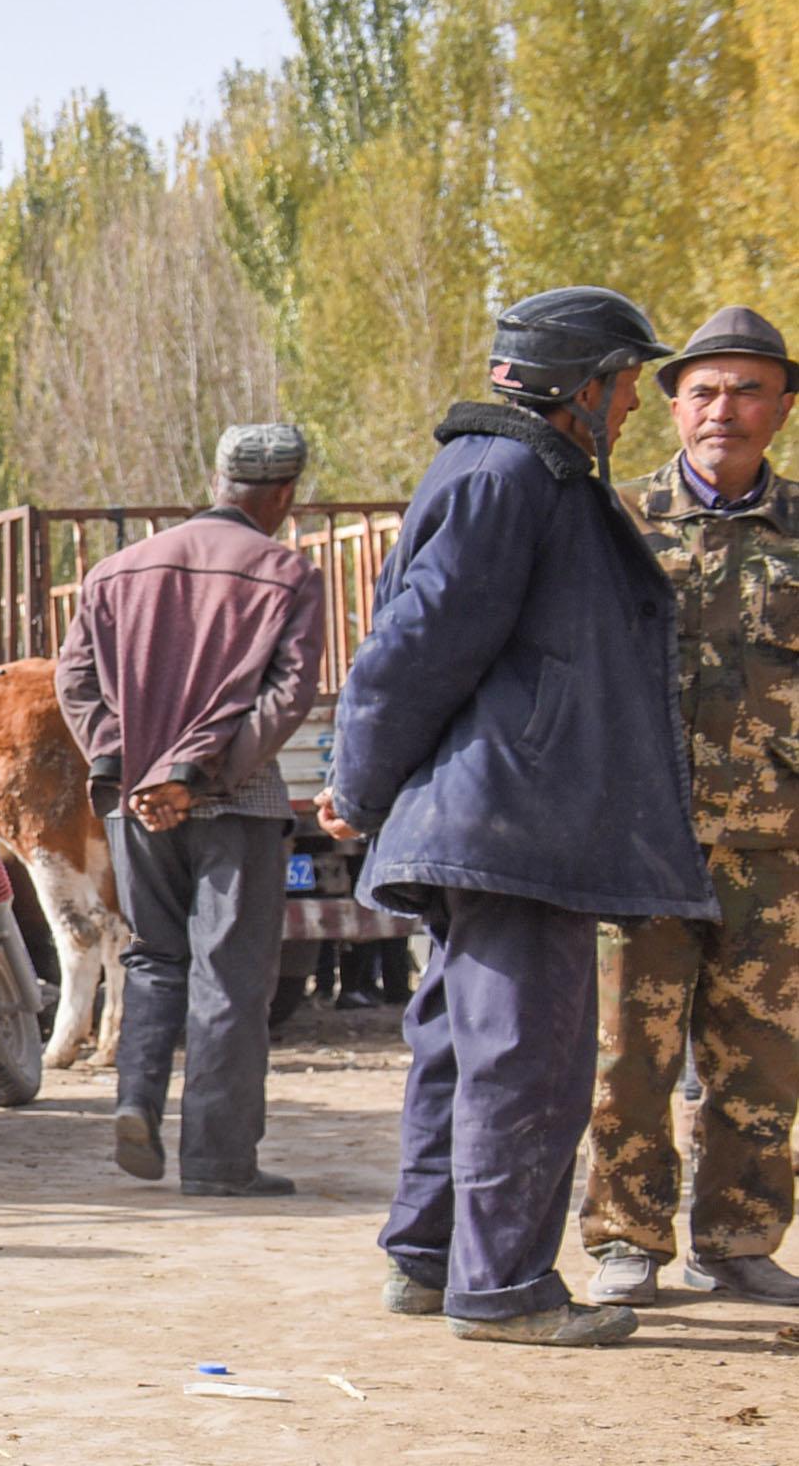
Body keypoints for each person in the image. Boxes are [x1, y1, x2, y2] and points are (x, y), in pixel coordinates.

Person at [320, 286, 713, 1347]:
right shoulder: (511, 474)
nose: (635, 401)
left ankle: (428, 1256)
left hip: (498, 815)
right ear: (577, 384)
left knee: (463, 1042)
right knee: (527, 1056)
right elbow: (416, 645)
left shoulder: (516, 474)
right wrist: (358, 787)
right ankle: (502, 1289)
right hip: (512, 821)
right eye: (626, 379)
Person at [582, 305, 799, 1305]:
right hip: (642, 844)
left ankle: (742, 1240)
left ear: (783, 407)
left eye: (750, 388)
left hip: (775, 850)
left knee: (761, 1058)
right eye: (705, 389)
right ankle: (629, 1238)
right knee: (630, 1056)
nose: (726, 409)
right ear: (672, 405)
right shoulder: (615, 527)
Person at [54, 423, 327, 1197]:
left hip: (136, 808)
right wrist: (196, 777)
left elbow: (74, 685)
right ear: (282, 494)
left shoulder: (114, 571)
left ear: (214, 480)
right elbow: (286, 698)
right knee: (230, 979)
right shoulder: (286, 572)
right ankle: (217, 1161)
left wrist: (129, 768)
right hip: (234, 804)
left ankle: (135, 1101)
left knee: (152, 960)